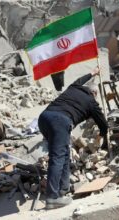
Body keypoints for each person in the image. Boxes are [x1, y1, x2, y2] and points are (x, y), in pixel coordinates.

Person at [38, 67, 108, 209]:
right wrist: (100, 136)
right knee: (57, 157)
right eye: (96, 96)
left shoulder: (74, 87)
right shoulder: (91, 102)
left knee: (63, 153)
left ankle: (63, 189)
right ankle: (52, 198)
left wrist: (92, 73)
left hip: (44, 118)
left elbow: (81, 80)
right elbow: (103, 124)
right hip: (60, 121)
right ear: (94, 93)